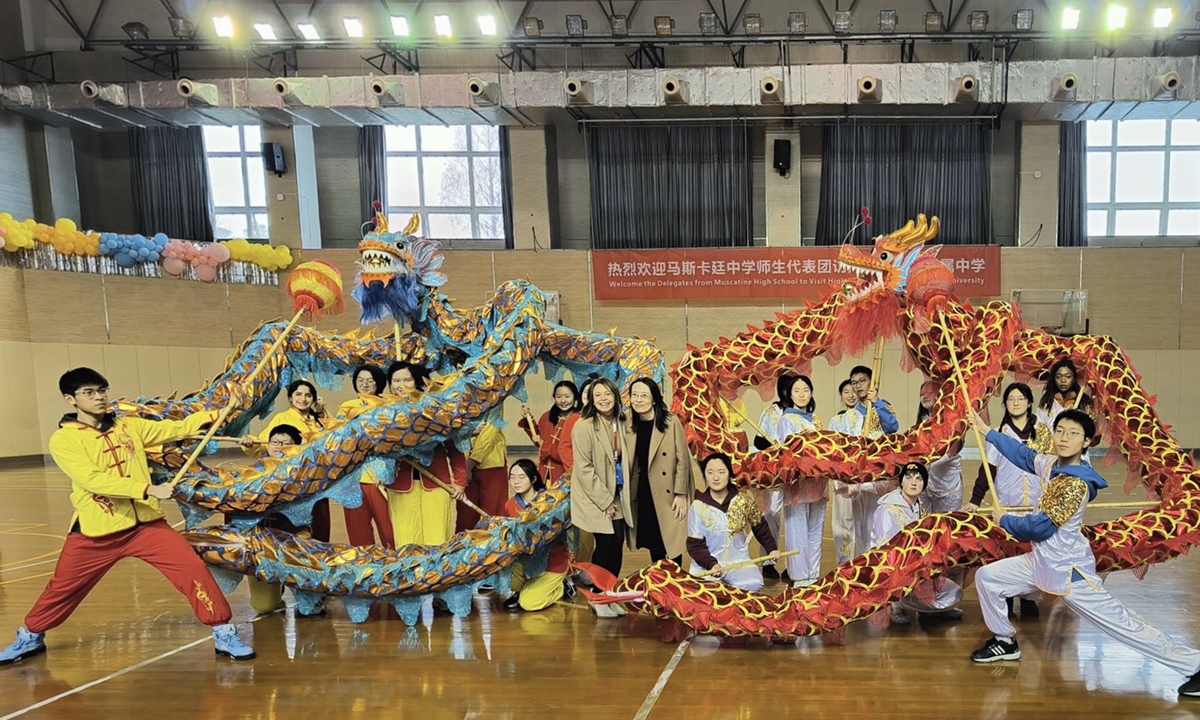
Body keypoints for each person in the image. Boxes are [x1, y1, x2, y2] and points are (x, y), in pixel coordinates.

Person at [0, 368, 254, 666]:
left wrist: (221, 412)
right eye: (89, 392)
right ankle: (31, 635)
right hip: (97, 532)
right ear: (71, 399)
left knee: (192, 570)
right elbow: (93, 480)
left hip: (146, 526)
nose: (99, 397)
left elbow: (178, 429)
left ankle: (223, 630)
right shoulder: (64, 440)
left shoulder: (128, 426)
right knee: (62, 589)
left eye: (102, 390)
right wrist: (148, 488)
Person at [967, 409, 1200, 699]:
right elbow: (1025, 456)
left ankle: (1194, 664)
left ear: (1087, 441)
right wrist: (987, 430)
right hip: (1041, 561)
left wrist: (1004, 521)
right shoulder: (1053, 464)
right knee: (989, 577)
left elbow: (1040, 527)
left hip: (1069, 572)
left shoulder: (1074, 483)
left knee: (1124, 626)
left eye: (1073, 433)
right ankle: (1005, 640)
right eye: (1060, 430)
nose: (1064, 438)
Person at [963, 382, 1052, 620]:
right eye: (1011, 399)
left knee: (1034, 550)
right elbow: (988, 470)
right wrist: (975, 500)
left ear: (1029, 402)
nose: (1015, 403)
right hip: (1007, 502)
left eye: (1020, 398)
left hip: (1035, 502)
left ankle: (1030, 598)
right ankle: (1009, 596)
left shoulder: (1042, 431)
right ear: (1005, 404)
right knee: (1008, 549)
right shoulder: (1000, 434)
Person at [242, 424, 326, 618]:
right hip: (261, 542)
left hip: (294, 538)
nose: (279, 446)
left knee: (304, 561)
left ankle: (309, 594)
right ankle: (275, 589)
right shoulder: (251, 472)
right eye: (275, 442)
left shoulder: (306, 474)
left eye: (285, 443)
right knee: (264, 606)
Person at [383, 361, 468, 547]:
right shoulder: (384, 413)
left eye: (407, 380)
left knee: (437, 539)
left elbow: (454, 448)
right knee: (407, 540)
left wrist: (460, 482)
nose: (401, 385)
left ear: (417, 382)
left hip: (437, 482)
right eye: (396, 380)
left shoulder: (433, 409)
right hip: (401, 483)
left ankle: (436, 576)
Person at [871, 462, 963, 625]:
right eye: (909, 477)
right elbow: (886, 553)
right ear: (901, 481)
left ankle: (930, 608)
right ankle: (896, 604)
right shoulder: (887, 510)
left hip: (916, 567)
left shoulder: (920, 509)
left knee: (958, 572)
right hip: (897, 569)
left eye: (919, 479)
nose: (914, 482)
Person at [241, 378, 331, 542]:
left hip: (317, 478)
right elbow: (264, 444)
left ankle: (319, 553)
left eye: (308, 395)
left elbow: (334, 435)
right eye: (298, 394)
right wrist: (250, 443)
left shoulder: (318, 419)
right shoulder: (282, 418)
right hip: (293, 481)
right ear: (290, 397)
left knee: (320, 521)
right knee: (296, 525)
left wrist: (321, 412)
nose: (302, 399)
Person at [758, 375, 826, 587]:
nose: (802, 394)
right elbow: (790, 453)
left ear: (811, 392)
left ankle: (813, 574)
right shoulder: (786, 419)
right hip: (798, 483)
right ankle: (799, 576)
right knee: (797, 529)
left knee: (816, 529)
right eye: (797, 390)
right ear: (790, 394)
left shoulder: (816, 419)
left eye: (805, 390)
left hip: (820, 482)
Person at [569, 378, 631, 588]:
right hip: (595, 494)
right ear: (591, 400)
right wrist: (605, 501)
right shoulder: (583, 426)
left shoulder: (624, 423)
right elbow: (584, 468)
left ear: (615, 396)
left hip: (618, 492)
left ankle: (610, 590)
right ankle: (599, 593)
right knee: (606, 542)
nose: (604, 399)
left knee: (617, 541)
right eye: (598, 395)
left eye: (608, 394)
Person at [686, 453, 779, 592]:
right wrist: (711, 564)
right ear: (704, 475)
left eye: (721, 472)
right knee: (707, 593)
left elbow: (760, 527)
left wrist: (772, 548)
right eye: (710, 473)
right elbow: (695, 545)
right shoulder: (697, 506)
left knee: (753, 584)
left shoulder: (743, 501)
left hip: (738, 563)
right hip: (707, 566)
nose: (716, 477)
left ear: (729, 474)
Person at [625, 377, 693, 566]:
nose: (638, 400)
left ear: (654, 399)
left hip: (668, 491)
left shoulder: (670, 422)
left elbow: (683, 461)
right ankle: (660, 583)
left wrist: (681, 493)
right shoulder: (630, 426)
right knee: (653, 539)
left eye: (644, 395)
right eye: (635, 395)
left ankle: (676, 582)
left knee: (671, 541)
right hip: (643, 490)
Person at [829, 377, 896, 563]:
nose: (852, 393)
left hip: (871, 480)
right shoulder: (840, 420)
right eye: (847, 391)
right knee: (846, 523)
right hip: (847, 479)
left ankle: (870, 561)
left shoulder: (879, 411)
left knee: (871, 521)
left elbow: (892, 428)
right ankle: (847, 564)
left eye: (859, 385)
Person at [501, 459, 571, 612]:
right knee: (504, 578)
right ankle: (522, 589)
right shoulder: (510, 504)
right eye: (512, 477)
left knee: (528, 604)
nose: (515, 482)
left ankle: (561, 587)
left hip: (552, 561)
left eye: (521, 477)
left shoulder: (550, 502)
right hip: (525, 560)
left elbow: (561, 537)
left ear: (533, 479)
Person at [337, 364, 394, 548]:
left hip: (378, 477)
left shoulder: (388, 406)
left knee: (390, 530)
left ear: (378, 383)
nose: (365, 384)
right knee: (358, 531)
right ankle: (365, 566)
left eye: (370, 381)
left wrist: (387, 471)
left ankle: (393, 564)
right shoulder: (346, 407)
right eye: (360, 380)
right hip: (352, 478)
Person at [518, 380, 581, 485]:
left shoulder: (579, 420)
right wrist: (529, 421)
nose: (563, 400)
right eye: (559, 396)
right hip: (544, 472)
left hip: (565, 473)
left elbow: (567, 452)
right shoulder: (547, 416)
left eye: (567, 396)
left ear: (575, 397)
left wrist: (544, 446)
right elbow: (539, 440)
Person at [915, 381, 964, 513]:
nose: (924, 397)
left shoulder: (952, 422)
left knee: (945, 526)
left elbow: (951, 452)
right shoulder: (921, 423)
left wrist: (927, 465)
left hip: (947, 486)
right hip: (925, 485)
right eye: (921, 394)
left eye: (929, 393)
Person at [457, 421, 508, 532]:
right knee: (465, 518)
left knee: (494, 515)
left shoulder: (494, 403)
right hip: (461, 460)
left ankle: (496, 548)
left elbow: (490, 431)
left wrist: (470, 463)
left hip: (491, 463)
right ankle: (465, 547)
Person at [1035, 358, 1093, 428]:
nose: (1063, 380)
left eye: (1068, 376)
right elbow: (1037, 429)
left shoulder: (1085, 405)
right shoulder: (1046, 404)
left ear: (1074, 379)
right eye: (1058, 377)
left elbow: (1090, 431)